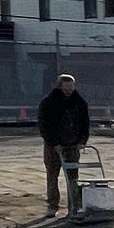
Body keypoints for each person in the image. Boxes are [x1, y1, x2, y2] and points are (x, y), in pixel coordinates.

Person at [37, 73, 91, 217]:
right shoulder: (49, 102)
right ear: (60, 86)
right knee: (52, 175)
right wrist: (54, 143)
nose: (69, 90)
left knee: (73, 177)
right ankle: (53, 205)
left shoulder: (79, 102)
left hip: (73, 145)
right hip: (53, 146)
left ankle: (73, 206)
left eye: (71, 87)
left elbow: (85, 123)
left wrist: (82, 141)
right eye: (66, 87)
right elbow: (44, 125)